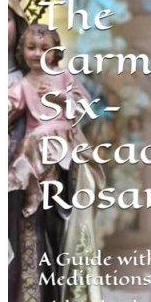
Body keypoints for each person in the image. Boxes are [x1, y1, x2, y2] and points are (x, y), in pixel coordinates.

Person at [8, 0, 110, 302]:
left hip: (31, 210)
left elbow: (78, 134)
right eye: (32, 48)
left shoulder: (46, 80)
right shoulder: (18, 88)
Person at [8, 24, 90, 217]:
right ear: (22, 51)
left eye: (45, 49)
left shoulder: (63, 76)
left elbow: (83, 103)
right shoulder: (24, 83)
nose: (38, 54)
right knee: (29, 149)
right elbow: (11, 102)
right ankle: (33, 190)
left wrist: (62, 97)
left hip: (63, 134)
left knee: (50, 152)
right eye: (31, 48)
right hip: (36, 137)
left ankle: (59, 192)